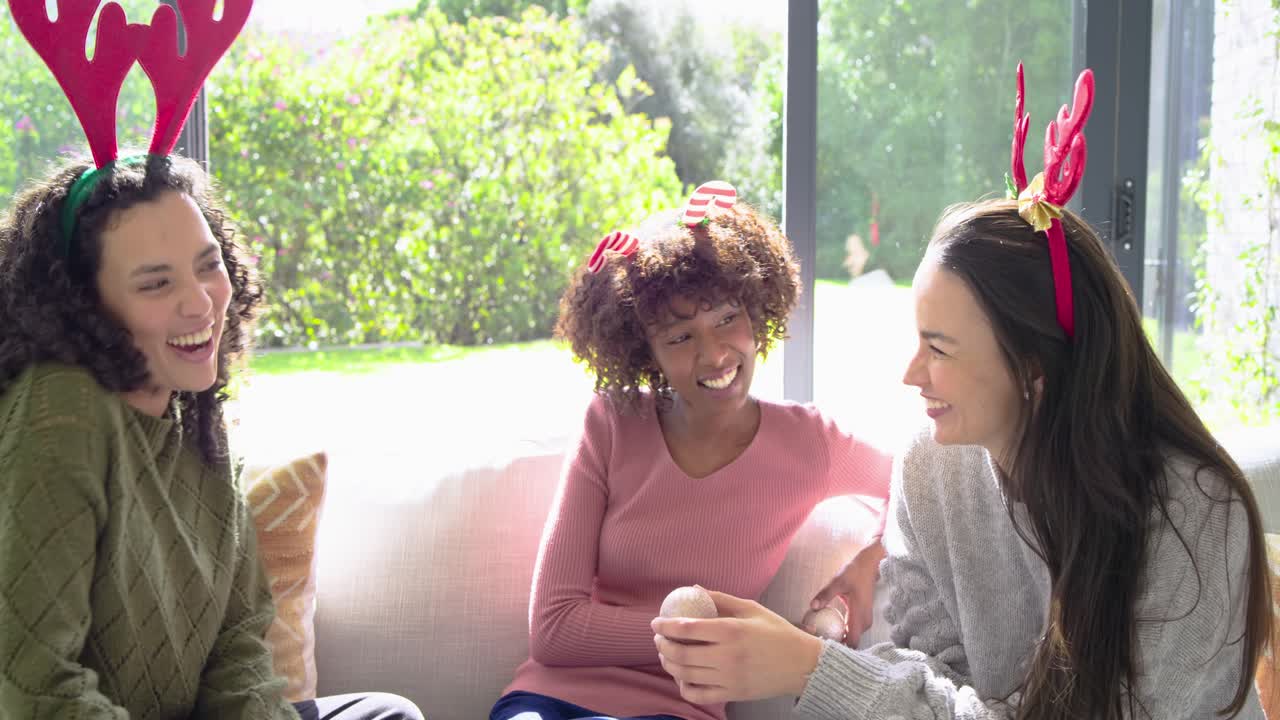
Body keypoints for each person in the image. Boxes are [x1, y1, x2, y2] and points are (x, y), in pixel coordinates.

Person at [652, 67, 1271, 719]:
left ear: (1034, 368)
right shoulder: (932, 466)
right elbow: (928, 679)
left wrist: (811, 670)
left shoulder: (1193, 514)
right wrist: (823, 650)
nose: (911, 373)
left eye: (939, 348)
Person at [1, 3, 422, 719]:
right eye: (156, 283)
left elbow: (239, 643)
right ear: (85, 304)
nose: (202, 303)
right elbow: (33, 686)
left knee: (388, 712)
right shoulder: (60, 412)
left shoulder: (194, 414)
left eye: (208, 266)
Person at [490, 183, 893, 720]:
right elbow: (555, 630)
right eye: (680, 338)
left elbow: (919, 485)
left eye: (728, 318)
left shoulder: (809, 443)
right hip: (549, 701)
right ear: (646, 353)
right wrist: (706, 631)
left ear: (756, 309)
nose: (715, 353)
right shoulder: (611, 422)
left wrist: (869, 564)